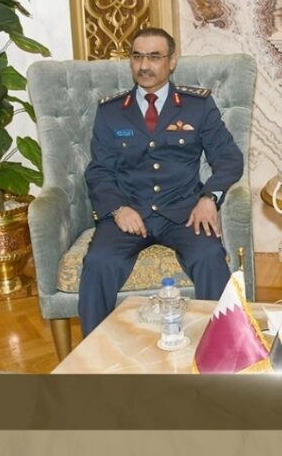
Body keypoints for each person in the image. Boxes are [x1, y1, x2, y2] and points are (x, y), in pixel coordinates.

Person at [79, 28, 244, 335]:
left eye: (154, 57)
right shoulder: (111, 111)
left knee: (210, 257)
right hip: (129, 213)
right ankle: (93, 356)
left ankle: (223, 347)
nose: (144, 65)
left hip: (183, 213)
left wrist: (210, 198)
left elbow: (229, 158)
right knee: (98, 262)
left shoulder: (197, 106)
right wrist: (117, 209)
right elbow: (99, 171)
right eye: (137, 56)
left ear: (172, 61)